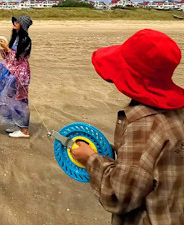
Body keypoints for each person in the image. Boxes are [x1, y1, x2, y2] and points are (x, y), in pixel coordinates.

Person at [71, 28, 184, 224]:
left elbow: (120, 194)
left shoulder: (142, 124)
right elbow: (153, 165)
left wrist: (90, 159)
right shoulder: (178, 113)